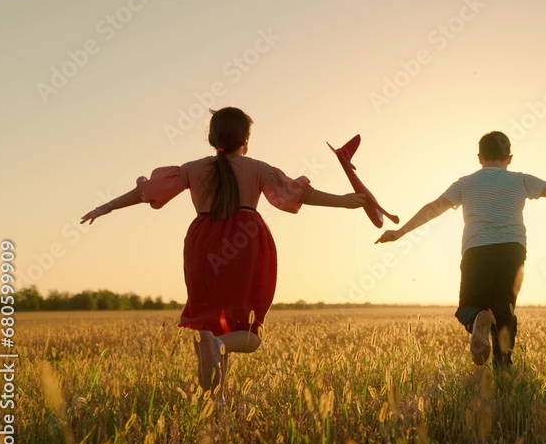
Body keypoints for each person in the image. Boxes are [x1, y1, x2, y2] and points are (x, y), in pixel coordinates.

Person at [80, 107, 367, 403]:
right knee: (247, 334)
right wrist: (344, 202)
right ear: (246, 140)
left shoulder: (191, 169)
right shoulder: (258, 168)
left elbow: (146, 194)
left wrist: (106, 207)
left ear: (212, 137)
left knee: (212, 321)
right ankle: (216, 347)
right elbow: (296, 195)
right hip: (247, 244)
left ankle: (218, 395)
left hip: (203, 243)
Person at [375, 131, 546, 367]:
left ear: (479, 157)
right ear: (509, 158)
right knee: (505, 311)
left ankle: (476, 318)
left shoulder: (465, 183)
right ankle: (503, 366)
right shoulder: (521, 180)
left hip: (477, 250)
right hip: (513, 251)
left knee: (468, 308)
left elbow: (434, 207)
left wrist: (400, 232)